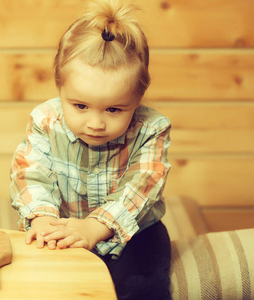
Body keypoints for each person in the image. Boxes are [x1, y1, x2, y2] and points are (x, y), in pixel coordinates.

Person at [10, 0, 172, 298]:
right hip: (62, 228)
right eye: (80, 106)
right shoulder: (46, 120)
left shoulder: (151, 128)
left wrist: (95, 227)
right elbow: (31, 173)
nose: (95, 123)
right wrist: (43, 218)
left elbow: (142, 185)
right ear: (60, 89)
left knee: (142, 288)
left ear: (138, 98)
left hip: (134, 236)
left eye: (113, 109)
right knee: (37, 284)